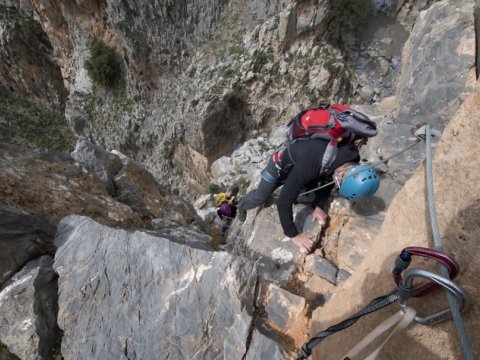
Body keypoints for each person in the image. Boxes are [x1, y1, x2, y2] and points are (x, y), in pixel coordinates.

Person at [236, 139, 380, 253]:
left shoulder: (349, 160)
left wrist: (319, 206)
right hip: (280, 166)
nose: (337, 186)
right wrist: (294, 235)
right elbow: (283, 202)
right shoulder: (310, 166)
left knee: (309, 199)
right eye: (339, 184)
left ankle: (301, 193)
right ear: (342, 174)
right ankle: (240, 206)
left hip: (302, 162)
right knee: (260, 197)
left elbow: (329, 179)